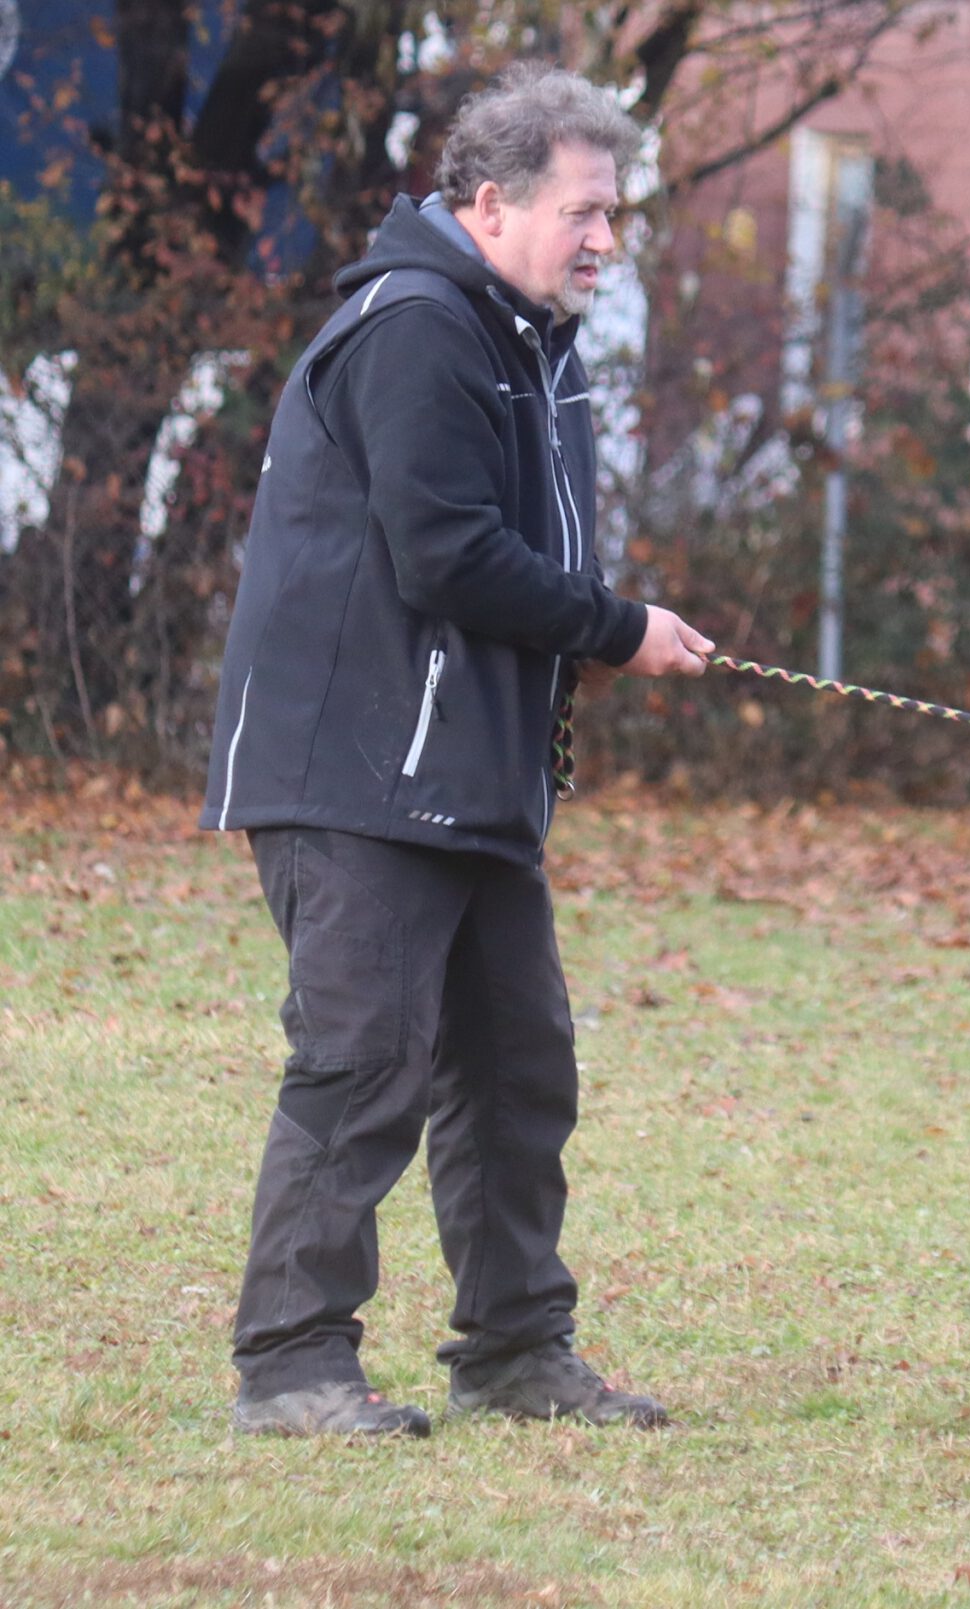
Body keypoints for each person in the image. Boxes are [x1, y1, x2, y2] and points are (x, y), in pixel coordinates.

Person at [200, 64, 716, 1437]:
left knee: (515, 1063)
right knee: (364, 1062)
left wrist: (591, 642)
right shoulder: (419, 325)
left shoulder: (527, 336)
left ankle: (514, 1351)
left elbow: (511, 554)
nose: (606, 238)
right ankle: (291, 1368)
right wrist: (619, 628)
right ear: (491, 205)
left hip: (466, 777)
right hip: (355, 772)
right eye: (586, 210)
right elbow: (446, 555)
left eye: (617, 212)